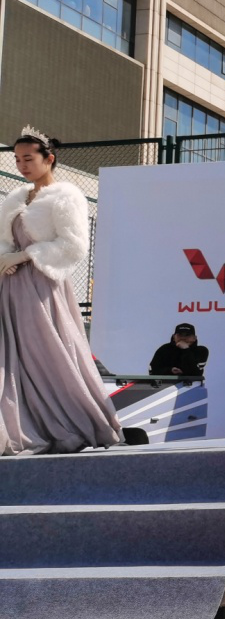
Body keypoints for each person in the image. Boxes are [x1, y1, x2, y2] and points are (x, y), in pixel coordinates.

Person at [0, 128, 123, 455]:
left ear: (49, 159)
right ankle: (20, 424)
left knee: (49, 352)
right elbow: (4, 238)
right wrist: (5, 258)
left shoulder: (67, 195)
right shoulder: (16, 197)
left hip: (43, 284)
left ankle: (74, 421)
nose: (22, 165)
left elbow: (74, 244)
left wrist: (25, 256)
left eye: (28, 159)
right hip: (10, 284)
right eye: (17, 159)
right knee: (12, 356)